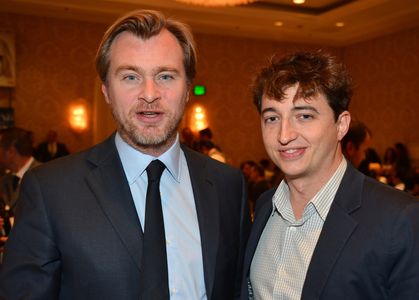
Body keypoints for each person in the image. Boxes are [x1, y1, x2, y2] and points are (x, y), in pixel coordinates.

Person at [0, 10, 250, 299]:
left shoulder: (228, 185)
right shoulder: (51, 190)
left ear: (187, 89)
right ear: (106, 90)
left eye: (166, 76)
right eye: (131, 76)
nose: (149, 93)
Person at [240, 51, 419, 299]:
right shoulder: (264, 207)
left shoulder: (399, 220)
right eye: (272, 118)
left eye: (304, 116)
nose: (284, 135)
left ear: (341, 125)